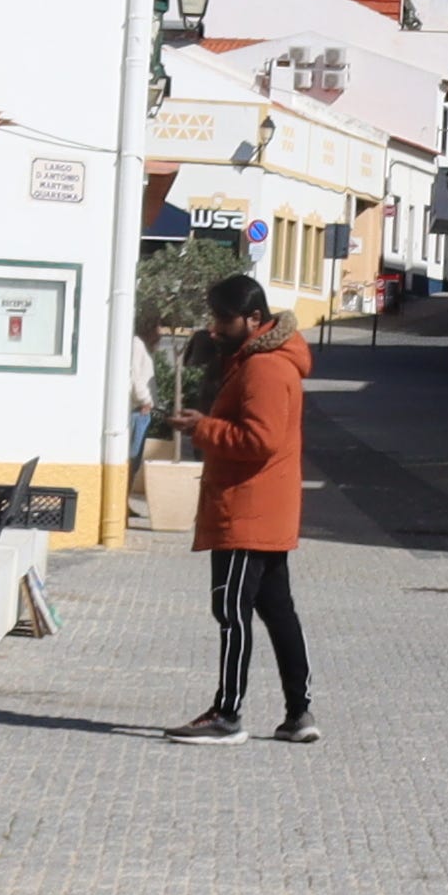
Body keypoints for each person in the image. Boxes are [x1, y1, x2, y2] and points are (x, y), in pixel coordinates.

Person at [166, 273, 315, 747]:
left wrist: (204, 428)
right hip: (262, 507)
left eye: (222, 318)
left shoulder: (264, 368)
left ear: (253, 319)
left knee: (231, 610)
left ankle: (227, 714)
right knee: (277, 612)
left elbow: (259, 440)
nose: (214, 327)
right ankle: (299, 714)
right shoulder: (256, 361)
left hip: (247, 509)